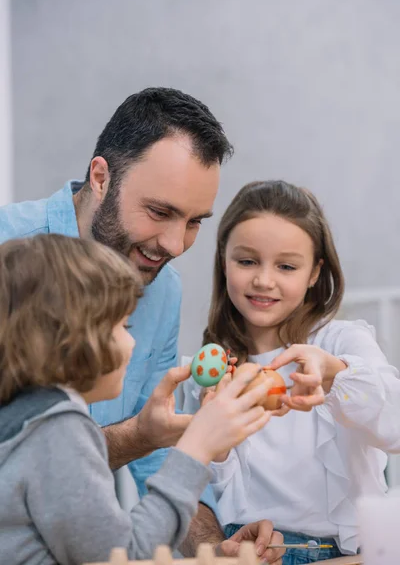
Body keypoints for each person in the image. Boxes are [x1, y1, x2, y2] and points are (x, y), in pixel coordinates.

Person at [0, 87, 283, 558]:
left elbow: (152, 457)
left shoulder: (162, 286)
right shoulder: (7, 258)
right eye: (159, 212)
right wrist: (160, 440)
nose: (174, 244)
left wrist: (210, 549)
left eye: (194, 222)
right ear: (100, 177)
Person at [0, 233, 278, 565]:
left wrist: (148, 435)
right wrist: (195, 450)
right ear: (74, 338)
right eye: (123, 326)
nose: (132, 344)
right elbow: (122, 555)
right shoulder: (57, 429)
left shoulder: (23, 421)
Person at [184, 180, 400, 564]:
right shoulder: (209, 370)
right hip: (249, 551)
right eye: (247, 261)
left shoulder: (342, 343)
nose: (264, 280)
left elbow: (394, 424)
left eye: (286, 266)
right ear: (223, 259)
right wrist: (214, 437)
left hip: (344, 553)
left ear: (315, 272)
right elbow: (200, 494)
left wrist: (334, 374)